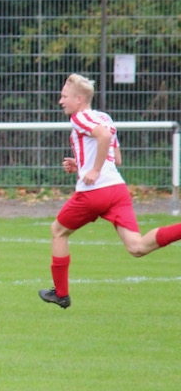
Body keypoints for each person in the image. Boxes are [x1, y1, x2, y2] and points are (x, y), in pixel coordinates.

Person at [39, 73, 181, 309]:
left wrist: (93, 170)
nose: (60, 101)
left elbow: (103, 137)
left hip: (94, 192)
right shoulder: (104, 117)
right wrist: (81, 165)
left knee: (58, 231)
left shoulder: (79, 117)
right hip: (117, 190)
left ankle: (61, 294)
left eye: (64, 96)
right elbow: (116, 158)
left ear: (79, 99)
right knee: (137, 247)